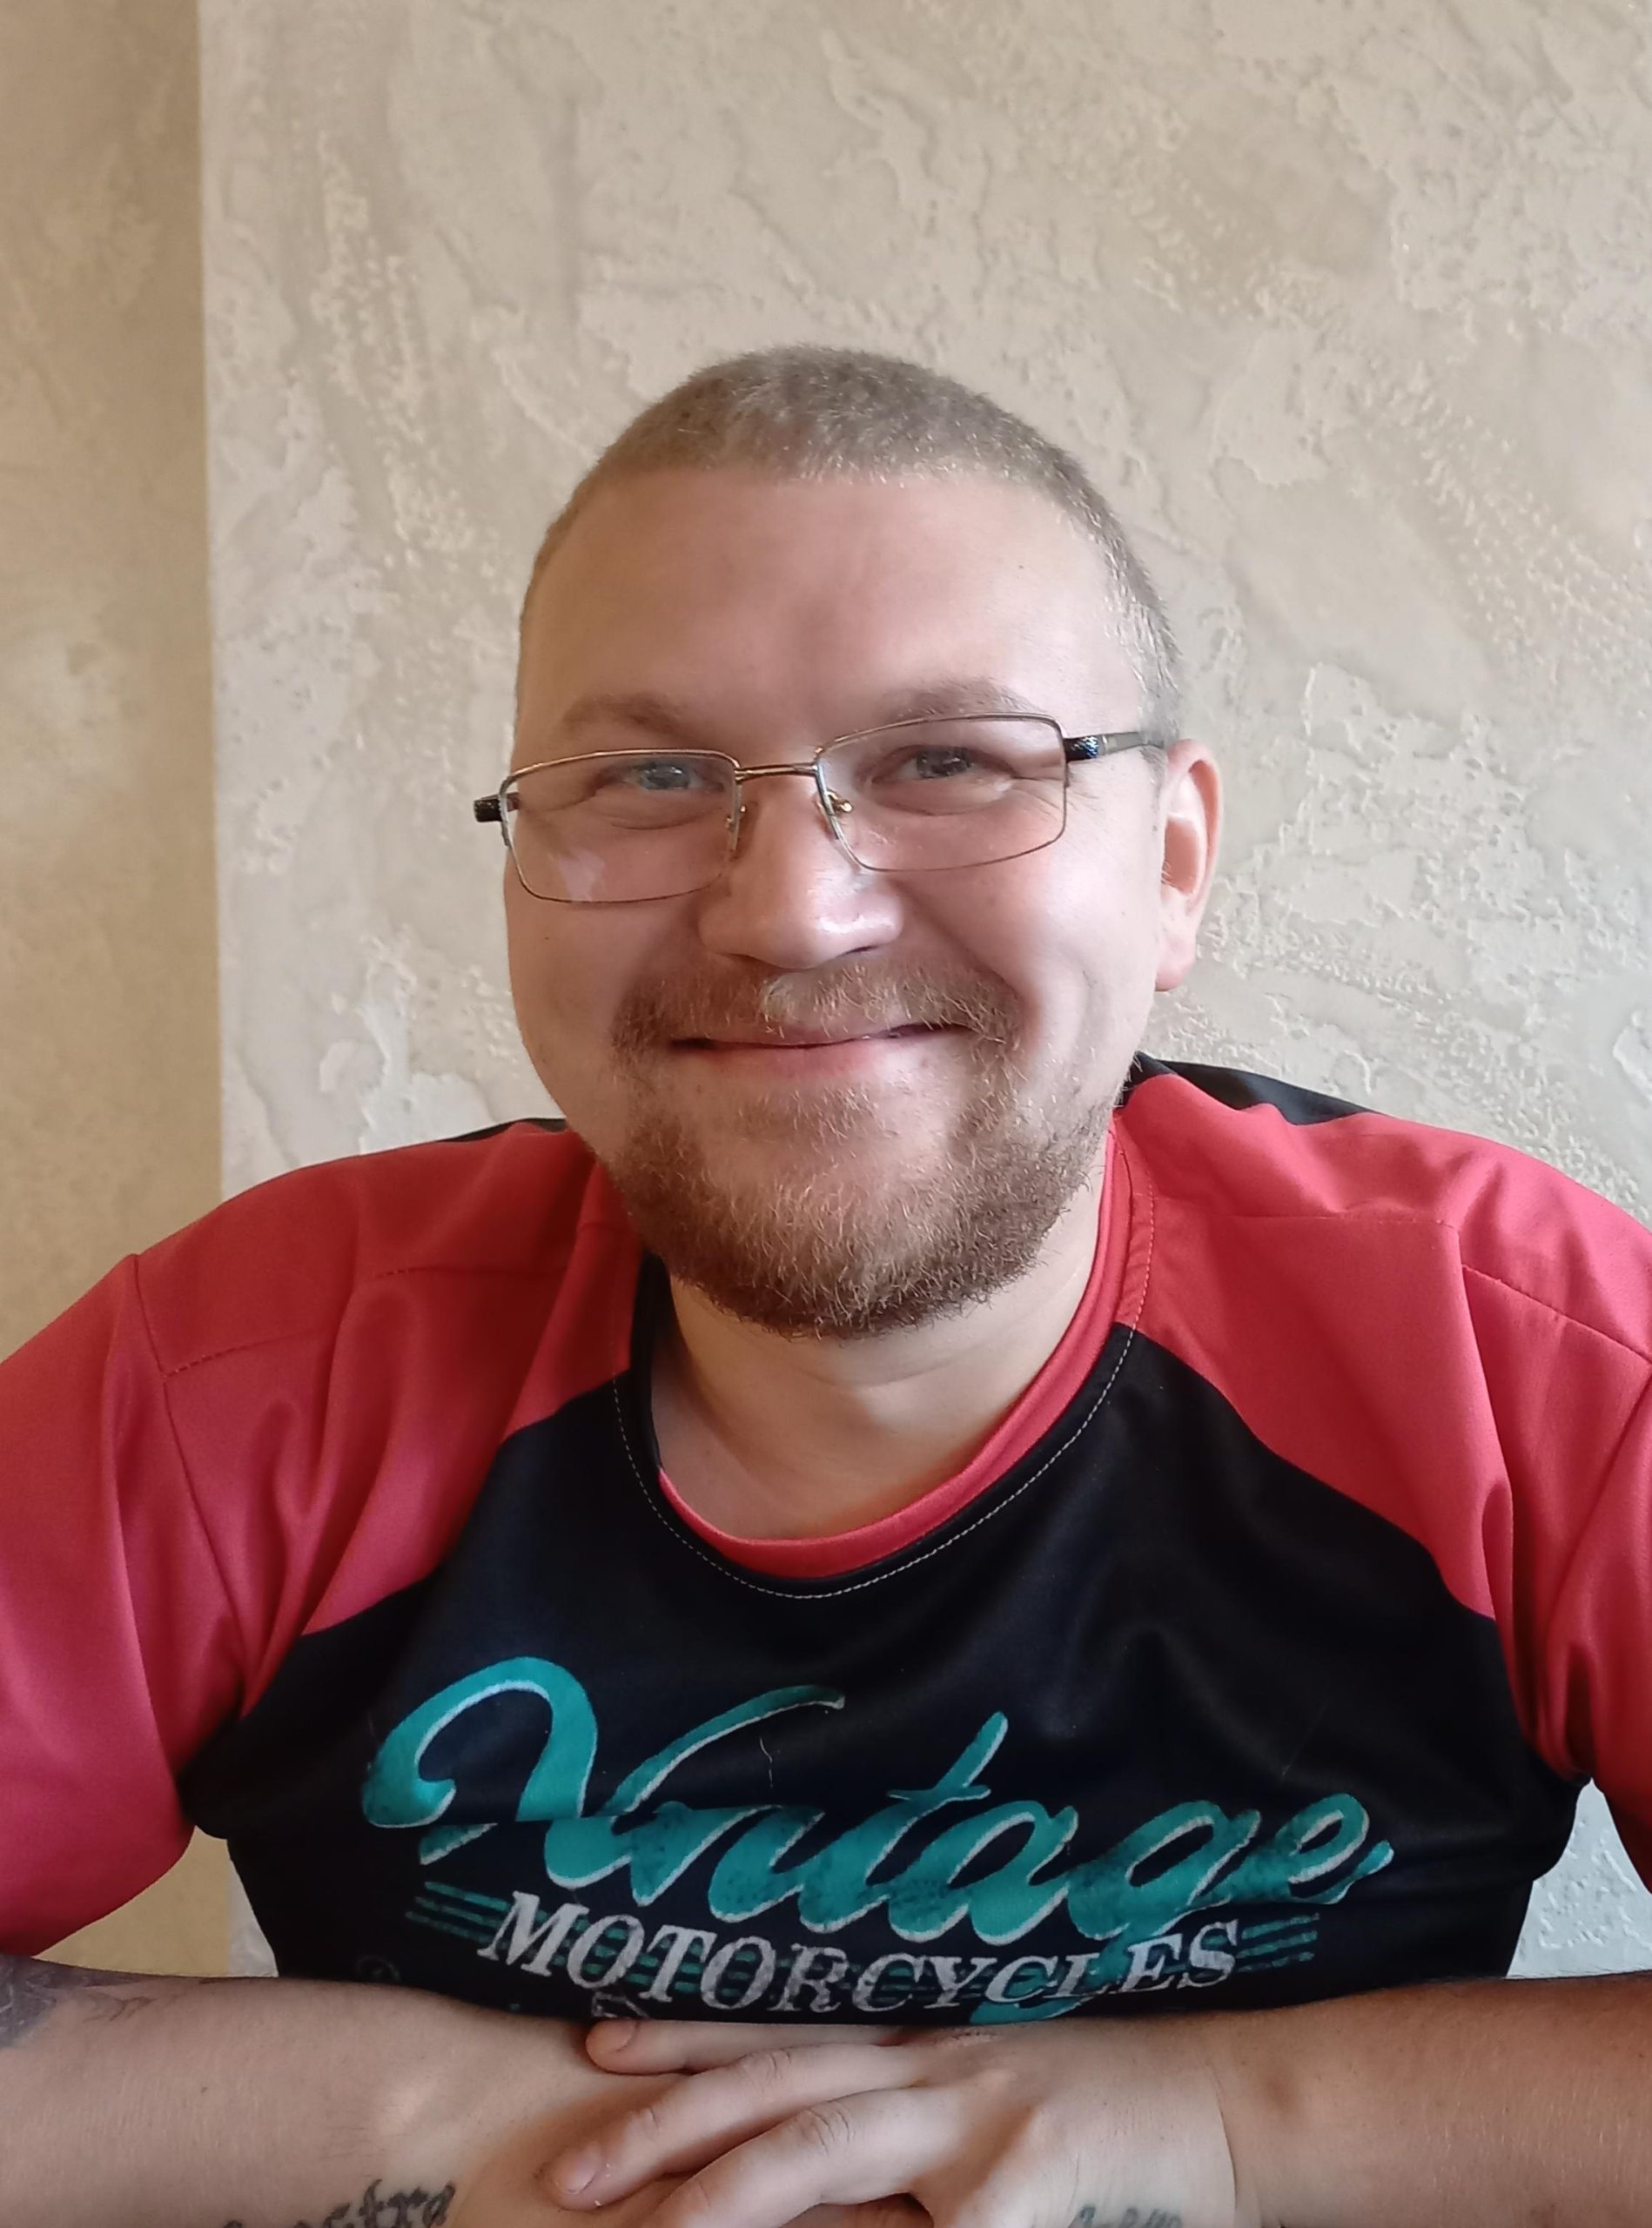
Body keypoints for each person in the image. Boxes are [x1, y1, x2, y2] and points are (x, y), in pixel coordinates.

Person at [1, 346, 1649, 2228]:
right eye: (650, 777)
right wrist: (483, 2123)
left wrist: (1219, 2123)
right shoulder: (240, 1377)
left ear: (1173, 866)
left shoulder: (1527, 1357)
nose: (790, 908)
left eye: (947, 763)